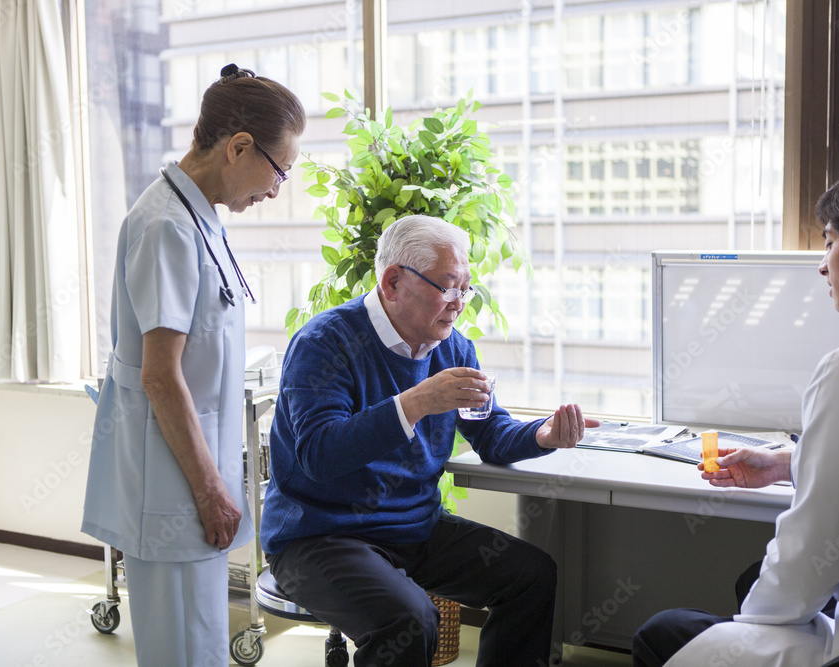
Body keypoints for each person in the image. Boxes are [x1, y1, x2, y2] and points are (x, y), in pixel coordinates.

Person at [631, 162, 839, 667]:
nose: (822, 265)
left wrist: (745, 628)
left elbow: (810, 554)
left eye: (829, 242)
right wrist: (786, 463)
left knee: (666, 632)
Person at [260, 214, 600, 666]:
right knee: (409, 619)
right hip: (318, 535)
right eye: (448, 286)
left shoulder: (453, 347)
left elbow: (490, 432)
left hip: (413, 527)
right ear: (394, 282)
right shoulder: (324, 342)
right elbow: (319, 455)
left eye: (466, 288)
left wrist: (542, 434)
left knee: (531, 575)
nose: (459, 302)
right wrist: (415, 402)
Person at [81, 64, 306, 667]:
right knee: (183, 649)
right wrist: (209, 491)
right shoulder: (165, 226)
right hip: (172, 484)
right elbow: (159, 374)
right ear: (238, 147)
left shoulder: (199, 214)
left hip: (189, 471)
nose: (277, 189)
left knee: (202, 640)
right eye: (279, 170)